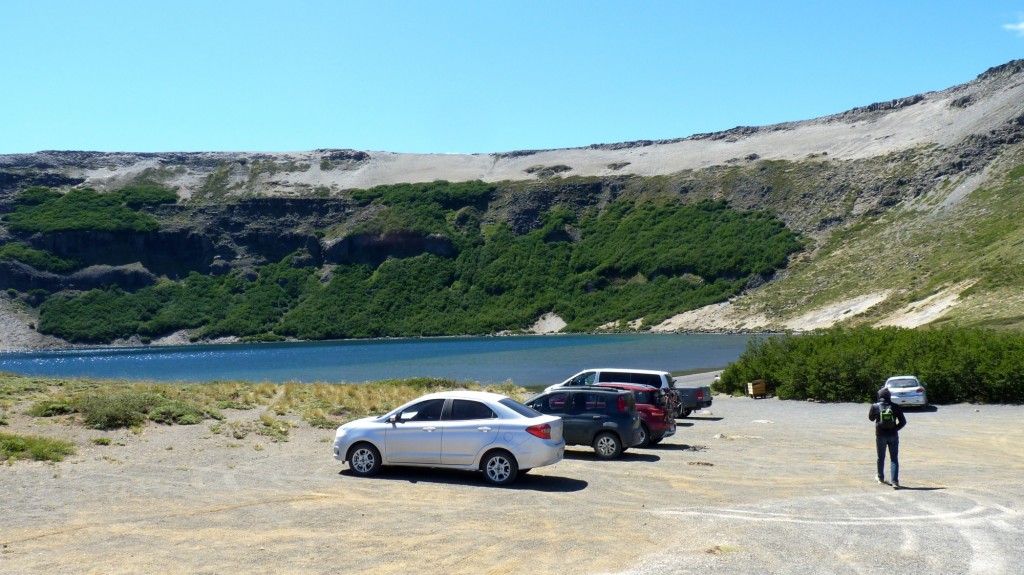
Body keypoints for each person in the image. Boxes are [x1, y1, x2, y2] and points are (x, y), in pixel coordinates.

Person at [868, 387, 907, 488]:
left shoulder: (875, 406)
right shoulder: (895, 406)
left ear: (879, 396)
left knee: (881, 457)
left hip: (880, 435)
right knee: (894, 458)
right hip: (893, 435)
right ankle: (895, 482)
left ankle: (880, 477)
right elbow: (903, 422)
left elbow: (871, 419)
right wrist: (895, 429)